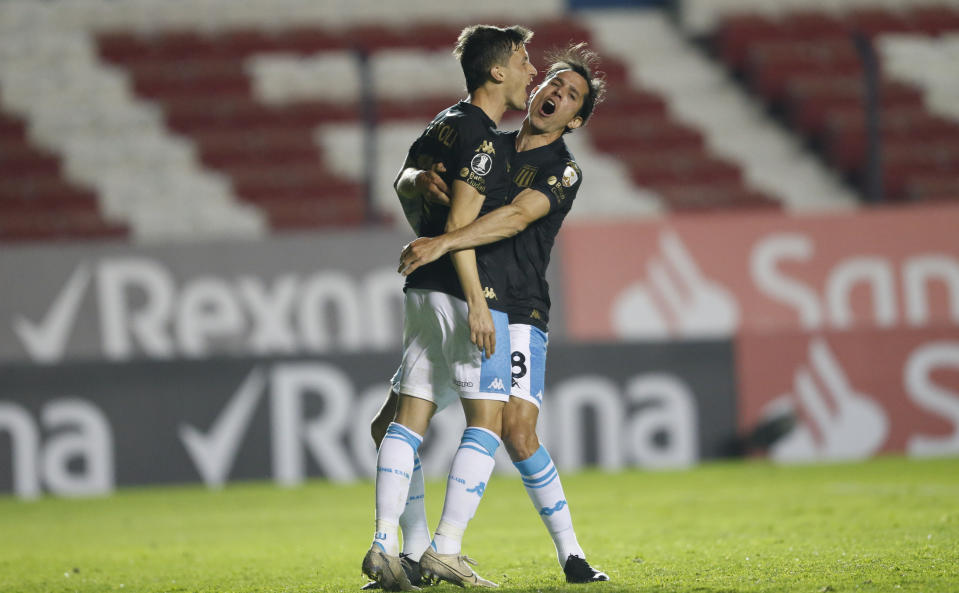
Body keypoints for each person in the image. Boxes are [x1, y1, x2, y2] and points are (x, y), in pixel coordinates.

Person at [389, 43, 611, 584]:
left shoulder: (563, 171)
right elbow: (411, 176)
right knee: (388, 425)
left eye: (571, 93)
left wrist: (442, 243)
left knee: (517, 431)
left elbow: (514, 217)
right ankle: (418, 552)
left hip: (517, 307)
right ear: (533, 91)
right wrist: (416, 182)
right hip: (460, 299)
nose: (556, 91)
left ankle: (572, 554)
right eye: (553, 82)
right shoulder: (487, 144)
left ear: (576, 119)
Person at [361, 24, 537, 591]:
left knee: (407, 417)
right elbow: (461, 229)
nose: (532, 71)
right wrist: (480, 304)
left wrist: (416, 182)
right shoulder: (482, 139)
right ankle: (446, 550)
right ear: (497, 71)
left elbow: (404, 179)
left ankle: (389, 545)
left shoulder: (446, 121)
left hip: (421, 290)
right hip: (462, 291)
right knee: (487, 420)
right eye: (524, 60)